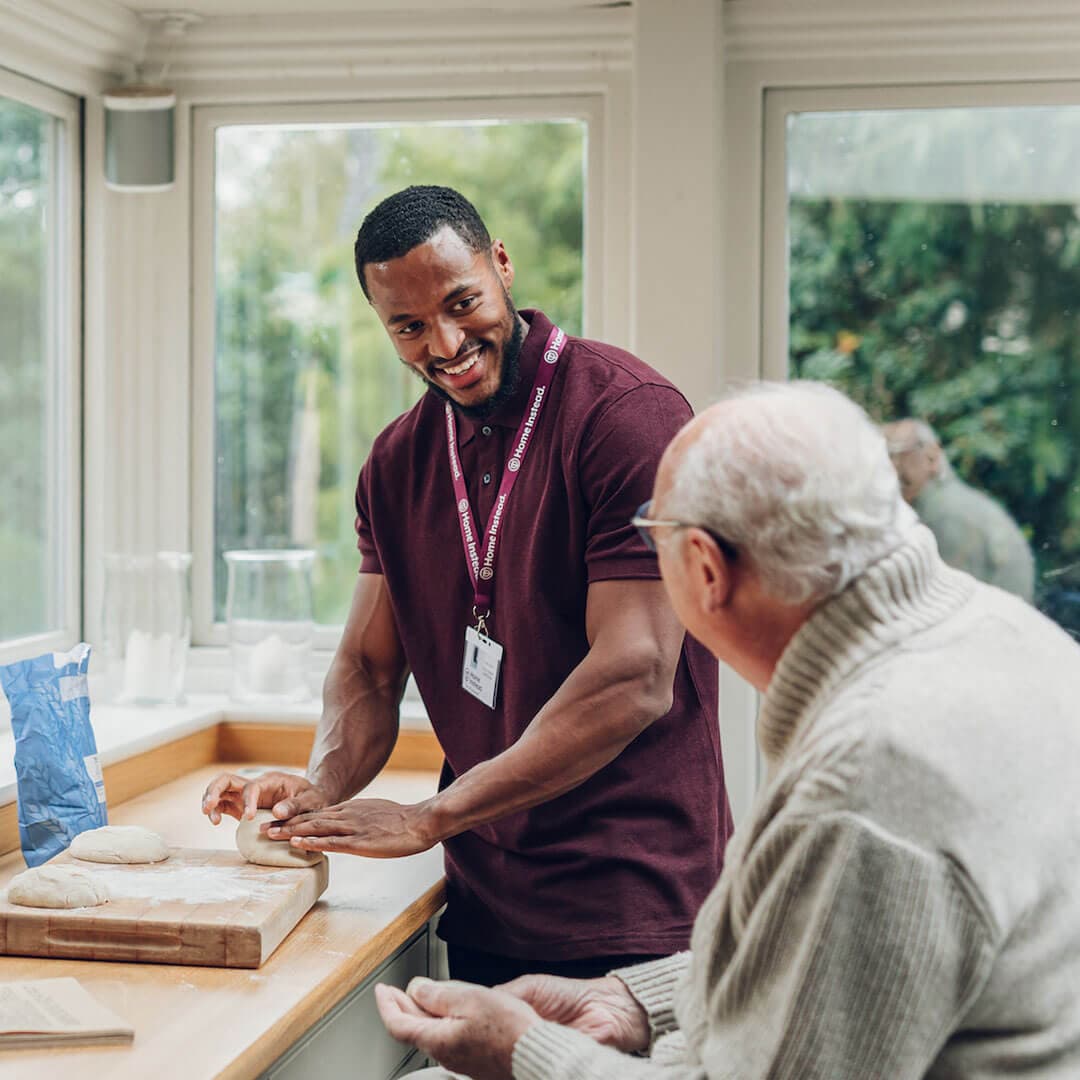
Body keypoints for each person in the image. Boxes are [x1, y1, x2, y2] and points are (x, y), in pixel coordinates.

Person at [377, 381, 1080, 1079]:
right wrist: (634, 1000)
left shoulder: (868, 784)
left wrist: (526, 1051)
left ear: (706, 570)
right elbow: (820, 962)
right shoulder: (1010, 634)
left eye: (656, 534)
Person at [202, 185, 732, 985]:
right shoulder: (394, 463)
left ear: (503, 266)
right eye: (407, 326)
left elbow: (636, 675)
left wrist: (429, 816)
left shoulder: (627, 416)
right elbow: (371, 669)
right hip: (488, 905)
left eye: (462, 302)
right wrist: (321, 790)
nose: (445, 343)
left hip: (639, 909)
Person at [883, 417, 1035, 600]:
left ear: (932, 456)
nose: (891, 466)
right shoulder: (941, 506)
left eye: (899, 454)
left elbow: (951, 600)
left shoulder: (945, 514)